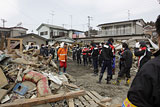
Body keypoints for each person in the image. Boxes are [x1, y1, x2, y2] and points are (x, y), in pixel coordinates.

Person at [122, 15, 160, 107]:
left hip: (141, 68)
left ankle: (120, 81)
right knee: (127, 74)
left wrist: (136, 48)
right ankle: (126, 82)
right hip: (134, 66)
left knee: (123, 74)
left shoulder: (152, 68)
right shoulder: (147, 51)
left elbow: (136, 54)